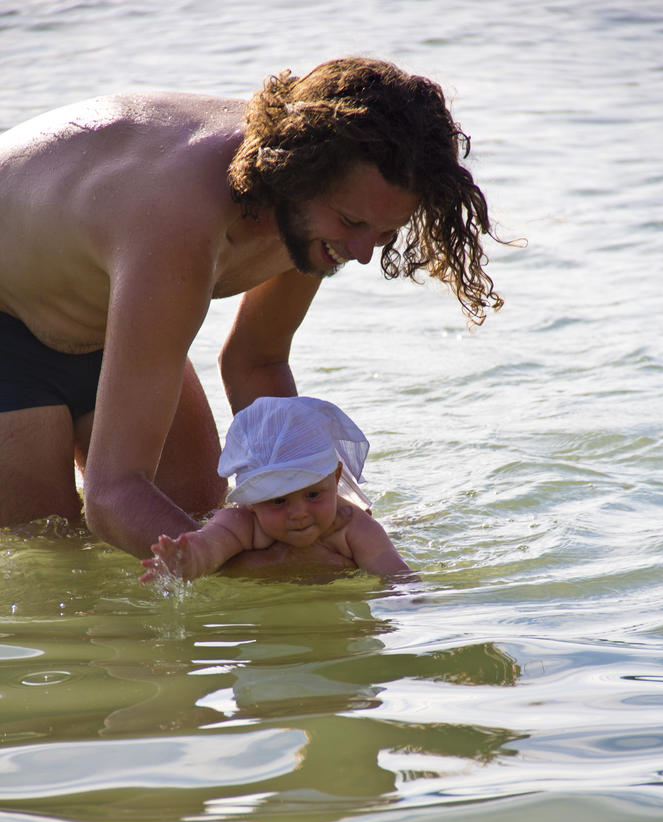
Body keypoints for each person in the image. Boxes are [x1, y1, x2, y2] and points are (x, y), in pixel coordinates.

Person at [0, 56, 503, 557]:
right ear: (299, 172)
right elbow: (112, 497)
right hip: (7, 321)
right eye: (351, 221)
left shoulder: (310, 220)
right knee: (51, 551)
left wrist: (332, 520)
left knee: (200, 506)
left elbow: (256, 362)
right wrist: (268, 563)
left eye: (385, 232)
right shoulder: (183, 217)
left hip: (106, 323)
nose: (364, 252)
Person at [140, 396, 411, 581]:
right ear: (250, 501)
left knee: (404, 528)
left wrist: (407, 607)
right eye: (278, 501)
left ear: (336, 476)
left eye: (313, 494)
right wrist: (187, 560)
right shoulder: (242, 522)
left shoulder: (353, 527)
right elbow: (210, 545)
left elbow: (398, 578)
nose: (299, 512)